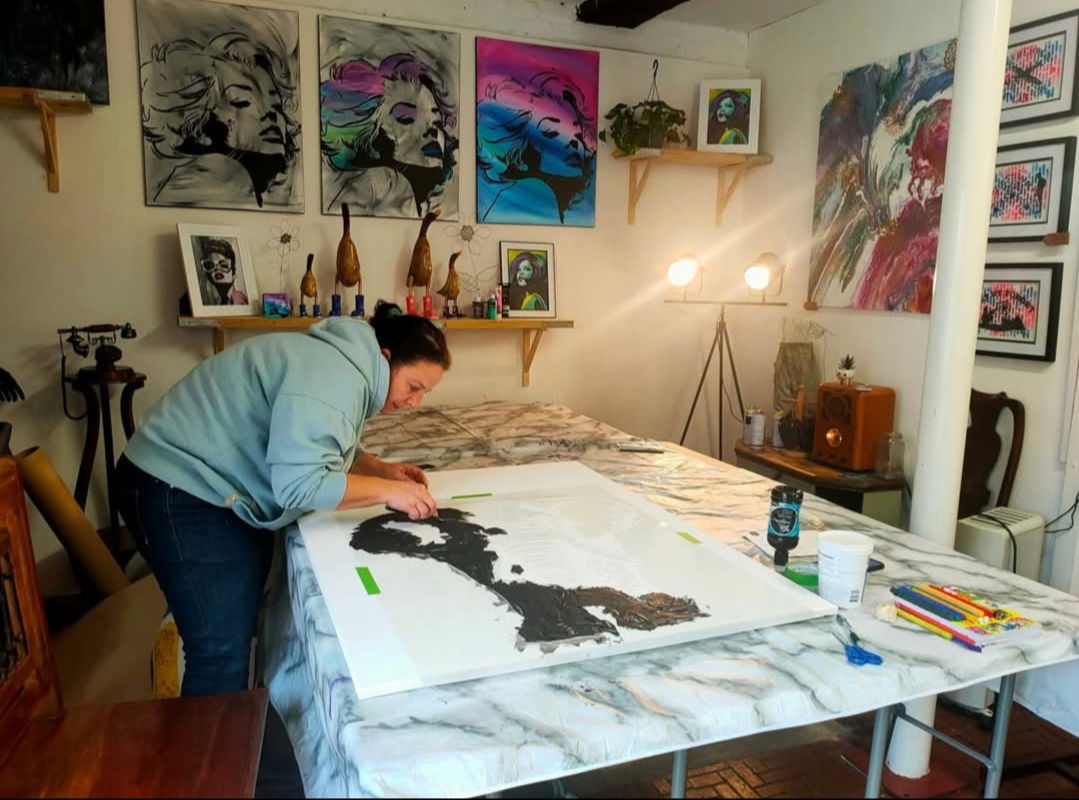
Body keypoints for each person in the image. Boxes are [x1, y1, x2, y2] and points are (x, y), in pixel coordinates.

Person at [115, 301, 449, 696]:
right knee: (219, 652)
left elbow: (320, 445)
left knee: (240, 612)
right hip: (177, 487)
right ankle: (209, 736)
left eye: (424, 393)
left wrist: (380, 470)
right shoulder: (335, 376)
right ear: (387, 358)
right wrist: (392, 492)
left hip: (193, 479)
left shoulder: (343, 363)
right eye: (413, 387)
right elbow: (300, 485)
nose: (415, 403)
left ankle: (233, 723)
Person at [140, 32, 301, 209]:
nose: (270, 115)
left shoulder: (269, 192)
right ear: (198, 128)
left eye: (276, 106)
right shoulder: (205, 182)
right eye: (242, 102)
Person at [321, 53, 459, 218]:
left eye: (436, 122)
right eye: (406, 118)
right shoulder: (373, 189)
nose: (432, 131)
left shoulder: (438, 201)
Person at [476, 70, 596, 224]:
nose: (573, 142)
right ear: (524, 150)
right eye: (552, 134)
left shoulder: (587, 197)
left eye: (577, 134)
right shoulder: (525, 197)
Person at [197, 238, 248, 306]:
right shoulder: (215, 302)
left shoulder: (240, 301)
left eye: (224, 265)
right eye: (210, 265)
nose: (217, 269)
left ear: (234, 273)